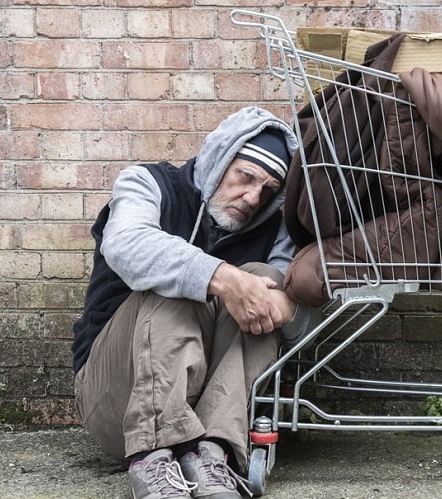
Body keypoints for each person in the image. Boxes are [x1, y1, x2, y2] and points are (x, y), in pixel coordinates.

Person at [72, 107, 318, 499]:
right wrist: (222, 279)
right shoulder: (148, 183)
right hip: (117, 397)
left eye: (268, 190)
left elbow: (303, 316)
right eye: (246, 177)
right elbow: (127, 244)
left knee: (266, 281)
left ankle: (212, 455)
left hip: (209, 408)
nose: (253, 197)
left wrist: (283, 309)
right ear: (219, 158)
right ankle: (152, 459)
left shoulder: (274, 229)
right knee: (177, 278)